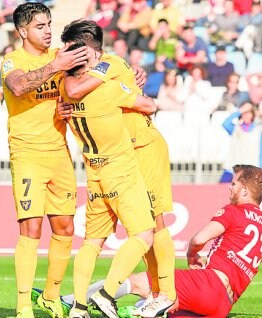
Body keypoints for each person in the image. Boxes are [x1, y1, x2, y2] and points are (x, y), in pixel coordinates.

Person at [62, 165, 262, 318]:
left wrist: (193, 255)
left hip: (209, 284)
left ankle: (73, 302)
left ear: (246, 190)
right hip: (223, 305)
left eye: (235, 183)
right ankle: (141, 311)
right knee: (165, 311)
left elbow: (198, 238)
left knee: (139, 283)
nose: (230, 187)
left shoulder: (234, 212)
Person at [57, 20, 177, 317]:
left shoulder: (108, 67)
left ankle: (165, 294)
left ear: (84, 49)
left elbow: (73, 88)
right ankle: (146, 293)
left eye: (69, 48)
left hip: (142, 148)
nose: (64, 55)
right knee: (144, 231)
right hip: (119, 158)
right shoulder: (104, 76)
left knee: (155, 224)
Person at [0, 3, 88, 318]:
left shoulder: (58, 57)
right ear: (23, 31)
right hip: (27, 155)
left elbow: (92, 73)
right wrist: (55, 66)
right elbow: (20, 86)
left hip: (60, 153)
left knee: (65, 228)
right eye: (40, 26)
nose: (48, 30)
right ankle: (24, 305)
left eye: (49, 24)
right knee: (31, 229)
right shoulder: (13, 61)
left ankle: (50, 296)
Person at [220, 102, 262, 182]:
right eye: (244, 113)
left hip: (250, 170)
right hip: (232, 168)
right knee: (220, 190)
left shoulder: (258, 131)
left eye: (249, 113)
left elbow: (261, 152)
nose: (246, 116)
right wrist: (240, 111)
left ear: (253, 115)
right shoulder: (235, 128)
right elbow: (225, 123)